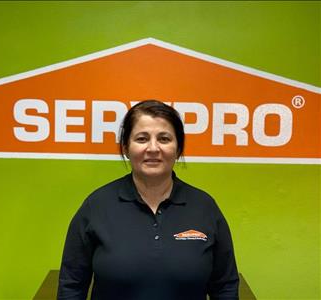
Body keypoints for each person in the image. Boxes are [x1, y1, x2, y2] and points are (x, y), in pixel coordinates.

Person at [58, 100, 239, 300]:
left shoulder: (205, 207)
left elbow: (225, 287)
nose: (153, 148)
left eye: (164, 139)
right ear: (126, 147)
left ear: (178, 149)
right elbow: (71, 285)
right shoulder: (97, 205)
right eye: (142, 139)